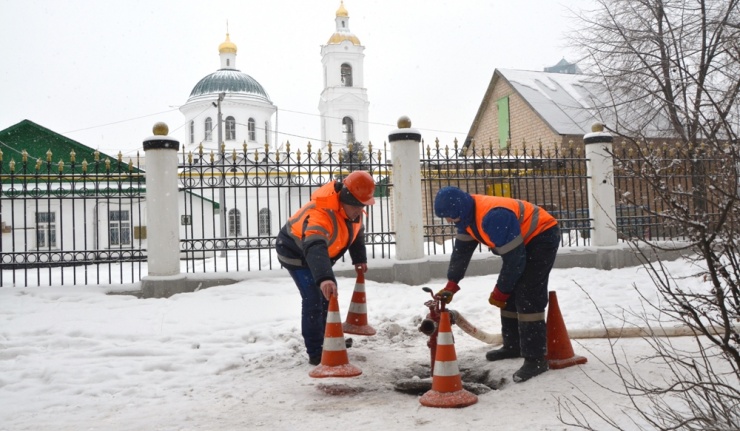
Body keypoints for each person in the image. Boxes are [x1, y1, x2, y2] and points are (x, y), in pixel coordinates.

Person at [433, 186, 560, 383]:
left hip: (542, 235)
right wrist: (452, 283)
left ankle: (536, 359)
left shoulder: (493, 217)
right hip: (523, 241)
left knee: (528, 293)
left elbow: (515, 261)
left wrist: (501, 290)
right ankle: (513, 345)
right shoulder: (466, 218)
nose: (448, 221)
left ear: (459, 210)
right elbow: (461, 253)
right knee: (510, 291)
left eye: (450, 216)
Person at [275, 170, 376, 365]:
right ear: (345, 199)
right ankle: (316, 351)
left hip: (319, 255)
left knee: (329, 298)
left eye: (363, 205)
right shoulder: (321, 213)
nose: (360, 210)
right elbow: (315, 245)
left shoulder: (353, 212)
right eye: (357, 205)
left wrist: (359, 259)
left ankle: (330, 341)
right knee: (314, 298)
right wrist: (324, 278)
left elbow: (357, 235)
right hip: (295, 252)